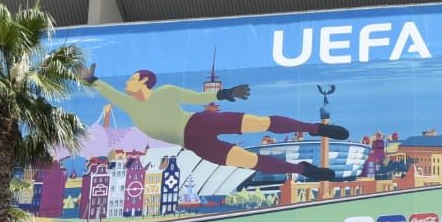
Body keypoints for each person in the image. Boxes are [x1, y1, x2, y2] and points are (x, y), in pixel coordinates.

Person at [79, 64, 348, 183]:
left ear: (143, 81)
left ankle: (316, 128)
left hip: (200, 123)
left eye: (131, 78)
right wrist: (91, 80)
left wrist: (224, 94)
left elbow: (196, 97)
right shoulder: (130, 105)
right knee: (248, 161)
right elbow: (108, 91)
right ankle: (303, 168)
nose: (127, 82)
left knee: (259, 123)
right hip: (194, 144)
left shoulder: (166, 92)